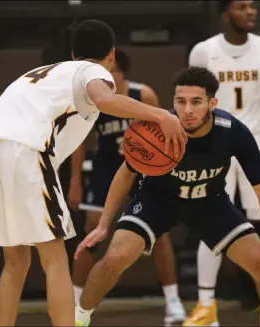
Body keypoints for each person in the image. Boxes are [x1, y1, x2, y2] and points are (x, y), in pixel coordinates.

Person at [0, 19, 187, 326]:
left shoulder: (42, 74)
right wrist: (162, 114)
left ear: (72, 52)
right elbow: (104, 99)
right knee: (55, 259)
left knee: (15, 262)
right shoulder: (93, 71)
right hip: (25, 150)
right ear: (111, 56)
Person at [73, 66, 260, 327]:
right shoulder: (157, 128)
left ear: (213, 103)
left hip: (209, 203)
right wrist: (103, 225)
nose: (187, 110)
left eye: (196, 102)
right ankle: (78, 319)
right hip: (158, 201)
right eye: (181, 101)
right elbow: (125, 174)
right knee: (115, 257)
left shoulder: (233, 131)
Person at [187, 0, 260, 324]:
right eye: (243, 6)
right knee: (209, 219)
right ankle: (206, 305)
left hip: (254, 141)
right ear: (225, 13)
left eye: (253, 6)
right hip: (213, 142)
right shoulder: (204, 51)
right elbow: (192, 100)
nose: (251, 12)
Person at [71, 48, 186, 324]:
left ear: (120, 72)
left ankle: (173, 301)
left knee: (158, 233)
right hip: (106, 167)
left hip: (145, 167)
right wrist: (75, 180)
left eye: (109, 72)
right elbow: (80, 143)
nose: (103, 77)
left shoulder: (142, 95)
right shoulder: (93, 101)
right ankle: (74, 301)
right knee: (91, 229)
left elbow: (164, 133)